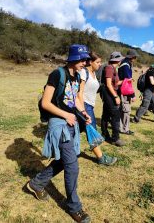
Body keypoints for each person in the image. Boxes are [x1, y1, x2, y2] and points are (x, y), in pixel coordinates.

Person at [27, 44, 91, 223]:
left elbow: (74, 100)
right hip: (59, 124)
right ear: (73, 59)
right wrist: (65, 115)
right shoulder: (57, 74)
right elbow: (46, 103)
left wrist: (83, 113)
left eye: (86, 60)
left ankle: (36, 183)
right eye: (83, 60)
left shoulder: (77, 76)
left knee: (65, 160)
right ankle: (74, 207)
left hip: (71, 121)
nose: (85, 63)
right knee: (72, 165)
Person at [78, 51, 117, 165]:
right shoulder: (84, 72)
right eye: (98, 62)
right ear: (90, 62)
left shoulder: (94, 74)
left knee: (78, 130)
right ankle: (101, 158)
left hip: (90, 105)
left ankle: (65, 149)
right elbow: (80, 92)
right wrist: (83, 110)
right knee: (92, 130)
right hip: (84, 105)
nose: (100, 64)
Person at [100, 51, 126, 147]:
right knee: (116, 115)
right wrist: (115, 96)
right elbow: (108, 84)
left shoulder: (113, 68)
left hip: (109, 94)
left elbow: (115, 83)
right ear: (117, 60)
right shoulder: (109, 68)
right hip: (109, 94)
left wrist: (125, 81)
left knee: (106, 115)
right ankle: (115, 139)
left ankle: (104, 134)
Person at [118, 49, 138, 135]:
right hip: (125, 90)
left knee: (123, 109)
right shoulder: (126, 65)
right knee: (126, 110)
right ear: (132, 57)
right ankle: (124, 129)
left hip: (122, 89)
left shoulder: (125, 63)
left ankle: (121, 127)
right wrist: (133, 95)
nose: (136, 58)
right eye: (135, 56)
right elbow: (128, 81)